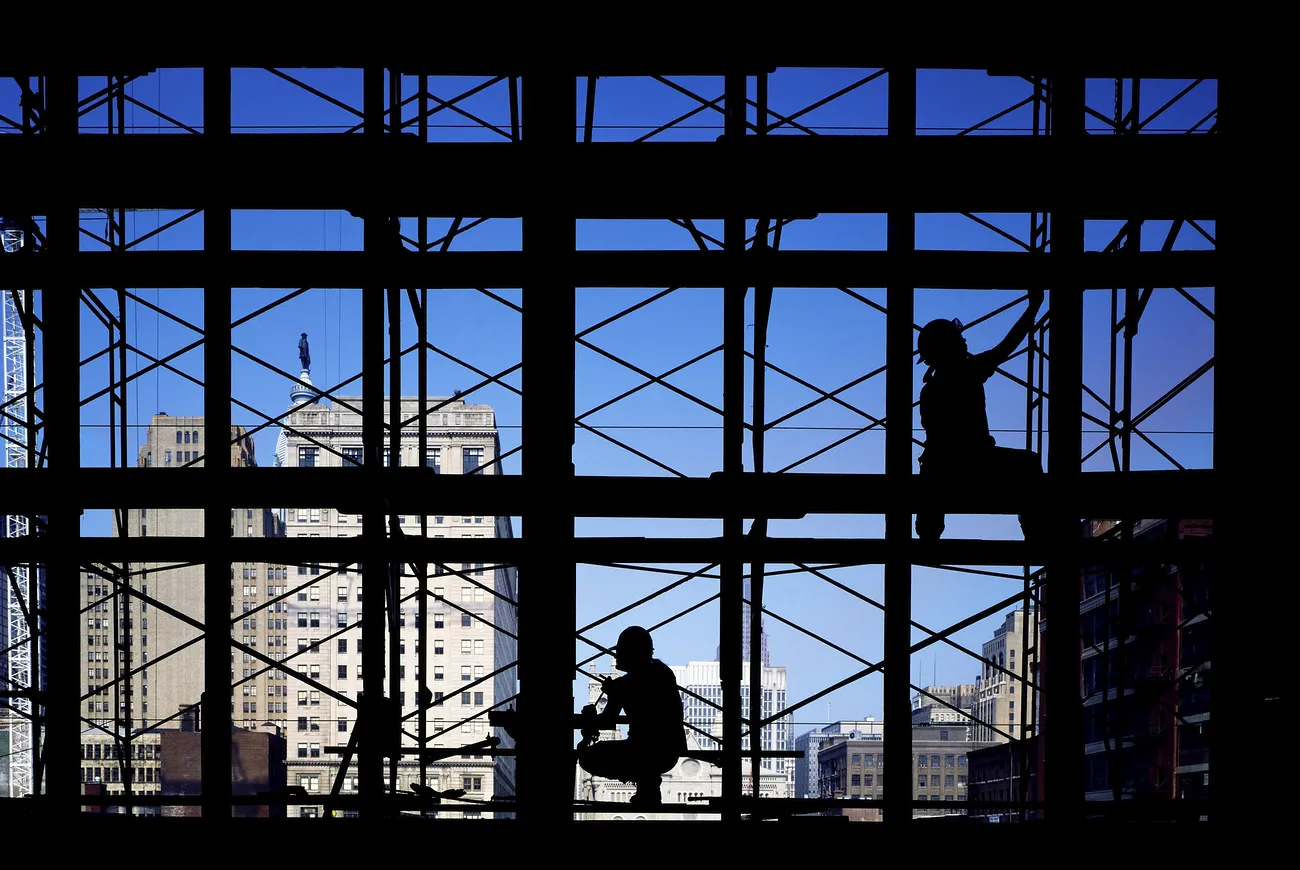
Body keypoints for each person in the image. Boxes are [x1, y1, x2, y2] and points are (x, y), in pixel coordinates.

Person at [915, 289, 1046, 542]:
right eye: (958, 339)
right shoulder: (967, 372)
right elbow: (1007, 346)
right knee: (1029, 464)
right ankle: (1035, 536)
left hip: (942, 469)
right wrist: (1034, 307)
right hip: (975, 462)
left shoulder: (931, 389)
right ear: (948, 347)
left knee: (931, 481)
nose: (964, 341)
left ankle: (927, 536)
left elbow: (936, 441)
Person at [576, 625, 687, 808]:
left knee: (588, 757)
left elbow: (607, 721)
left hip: (642, 751)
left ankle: (646, 785)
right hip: (669, 752)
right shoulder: (664, 673)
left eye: (620, 651)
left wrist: (606, 701)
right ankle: (648, 787)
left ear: (632, 653)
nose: (616, 656)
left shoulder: (626, 684)